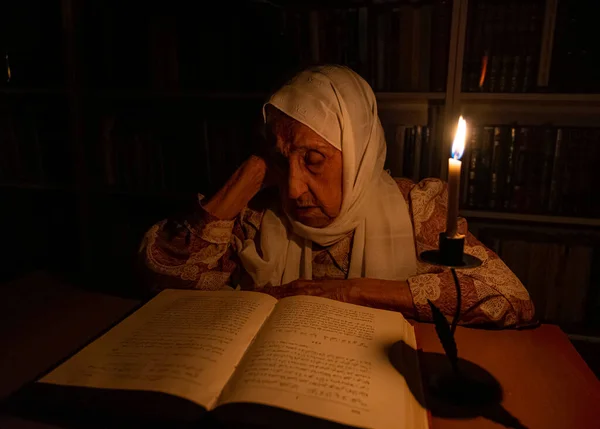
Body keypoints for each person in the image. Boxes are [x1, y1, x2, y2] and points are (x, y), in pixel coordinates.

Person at [139, 65, 535, 328]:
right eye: (281, 161)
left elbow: (512, 299)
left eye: (314, 160)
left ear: (360, 152)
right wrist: (251, 174)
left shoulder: (415, 208)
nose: (292, 188)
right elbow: (162, 277)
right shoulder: (259, 215)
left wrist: (350, 290)